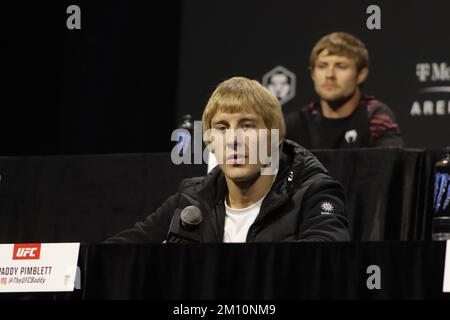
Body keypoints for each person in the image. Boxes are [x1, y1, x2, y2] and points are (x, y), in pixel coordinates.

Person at [106, 77, 350, 243]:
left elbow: (325, 267)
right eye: (222, 128)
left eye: (247, 125)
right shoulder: (192, 198)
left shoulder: (314, 194)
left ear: (276, 139)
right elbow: (118, 255)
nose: (234, 139)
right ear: (210, 141)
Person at [285, 32, 404, 149]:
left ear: (361, 74)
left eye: (341, 66)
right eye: (322, 66)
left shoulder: (375, 118)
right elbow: (270, 165)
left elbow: (391, 166)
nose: (330, 74)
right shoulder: (296, 124)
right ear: (313, 74)